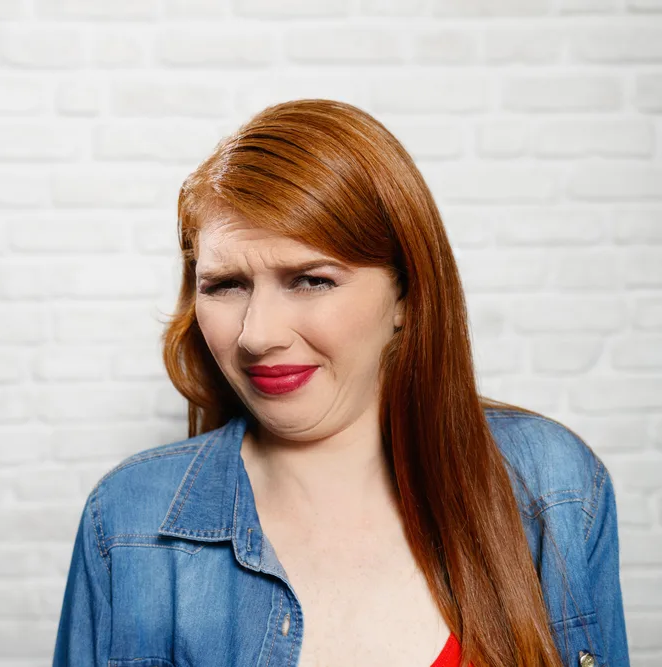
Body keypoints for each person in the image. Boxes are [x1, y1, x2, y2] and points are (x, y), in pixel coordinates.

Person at [51, 99, 629, 667]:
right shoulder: (128, 521)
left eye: (310, 280)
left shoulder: (555, 488)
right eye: (225, 285)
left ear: (405, 294)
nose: (258, 334)